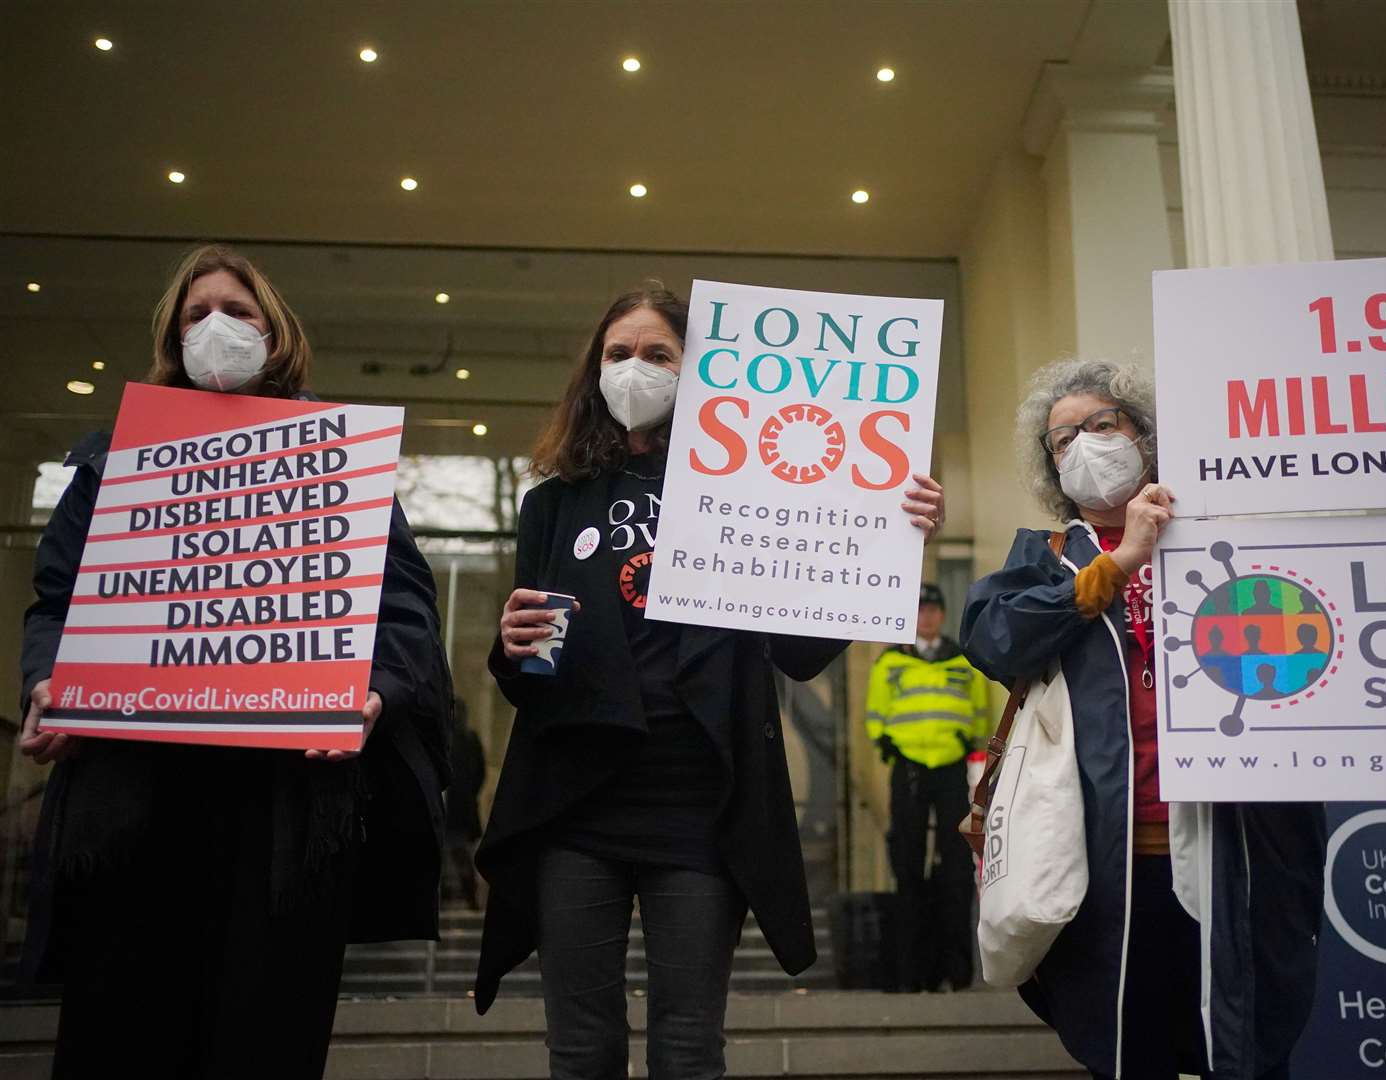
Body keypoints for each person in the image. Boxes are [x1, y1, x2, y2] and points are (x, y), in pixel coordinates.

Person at [474, 283, 946, 1079]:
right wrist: (510, 648)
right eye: (618, 354)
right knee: (580, 1047)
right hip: (574, 802)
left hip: (701, 804)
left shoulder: (754, 496)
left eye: (659, 354)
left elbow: (797, 655)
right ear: (593, 372)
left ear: (703, 373)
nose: (635, 369)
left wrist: (893, 544)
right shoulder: (551, 505)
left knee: (689, 1047)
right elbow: (535, 667)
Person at [17, 244, 453, 1080]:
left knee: (263, 1041)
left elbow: (404, 610)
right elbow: (55, 602)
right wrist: (47, 682)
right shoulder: (113, 464)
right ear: (173, 338)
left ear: (274, 330)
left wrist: (373, 695)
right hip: (135, 814)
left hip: (284, 822)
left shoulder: (338, 465)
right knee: (121, 1043)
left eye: (238, 310)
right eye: (195, 314)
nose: (217, 326)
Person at [960, 359, 1326, 1080]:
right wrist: (1122, 560)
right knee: (1128, 1051)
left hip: (1239, 847)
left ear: (1144, 434)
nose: (1086, 446)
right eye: (1063, 440)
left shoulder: (1233, 535)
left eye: (1102, 425)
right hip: (1105, 863)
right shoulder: (1048, 556)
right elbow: (995, 638)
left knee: (1248, 1045)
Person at [865, 582, 989, 992]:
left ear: (942, 614)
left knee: (955, 870)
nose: (928, 616)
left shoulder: (963, 663)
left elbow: (981, 718)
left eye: (934, 609)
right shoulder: (890, 663)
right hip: (910, 769)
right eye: (921, 609)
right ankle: (910, 973)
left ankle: (955, 971)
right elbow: (875, 716)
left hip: (951, 768)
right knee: (908, 867)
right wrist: (890, 748)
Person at [443, 696, 486, 909]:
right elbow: (480, 773)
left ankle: (465, 895)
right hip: (462, 807)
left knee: (457, 852)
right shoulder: (469, 739)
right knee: (461, 853)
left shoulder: (452, 738)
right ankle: (468, 896)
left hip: (454, 808)